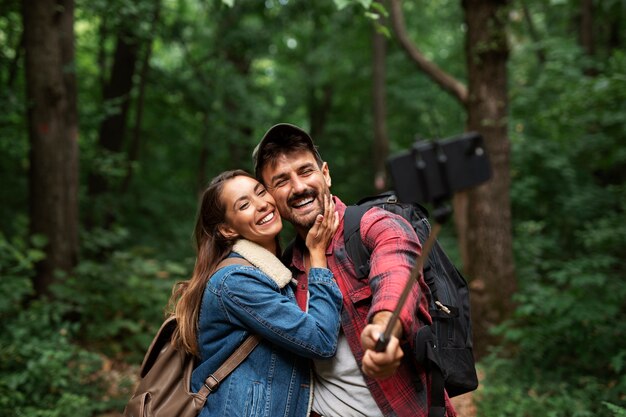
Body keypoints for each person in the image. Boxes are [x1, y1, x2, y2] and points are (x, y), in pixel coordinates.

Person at [253, 124, 457, 417]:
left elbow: (396, 272)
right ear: (270, 196)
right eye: (282, 180)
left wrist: (384, 329)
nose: (298, 187)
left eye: (305, 171)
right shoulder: (285, 268)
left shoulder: (374, 226)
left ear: (326, 174)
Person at [168, 169, 343, 417]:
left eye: (261, 192)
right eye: (244, 205)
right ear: (228, 230)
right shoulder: (236, 281)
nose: (261, 204)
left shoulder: (271, 271)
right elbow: (320, 340)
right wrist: (317, 256)